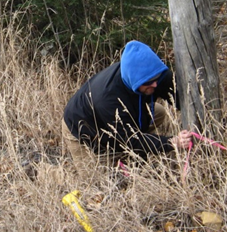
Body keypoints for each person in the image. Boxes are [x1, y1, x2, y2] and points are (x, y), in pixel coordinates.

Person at [62, 40, 192, 165]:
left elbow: (181, 98)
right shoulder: (108, 98)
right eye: (148, 82)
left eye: (156, 79)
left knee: (158, 112)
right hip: (83, 130)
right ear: (134, 81)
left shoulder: (155, 75)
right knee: (103, 183)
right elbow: (130, 140)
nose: (155, 84)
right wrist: (172, 142)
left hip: (119, 119)